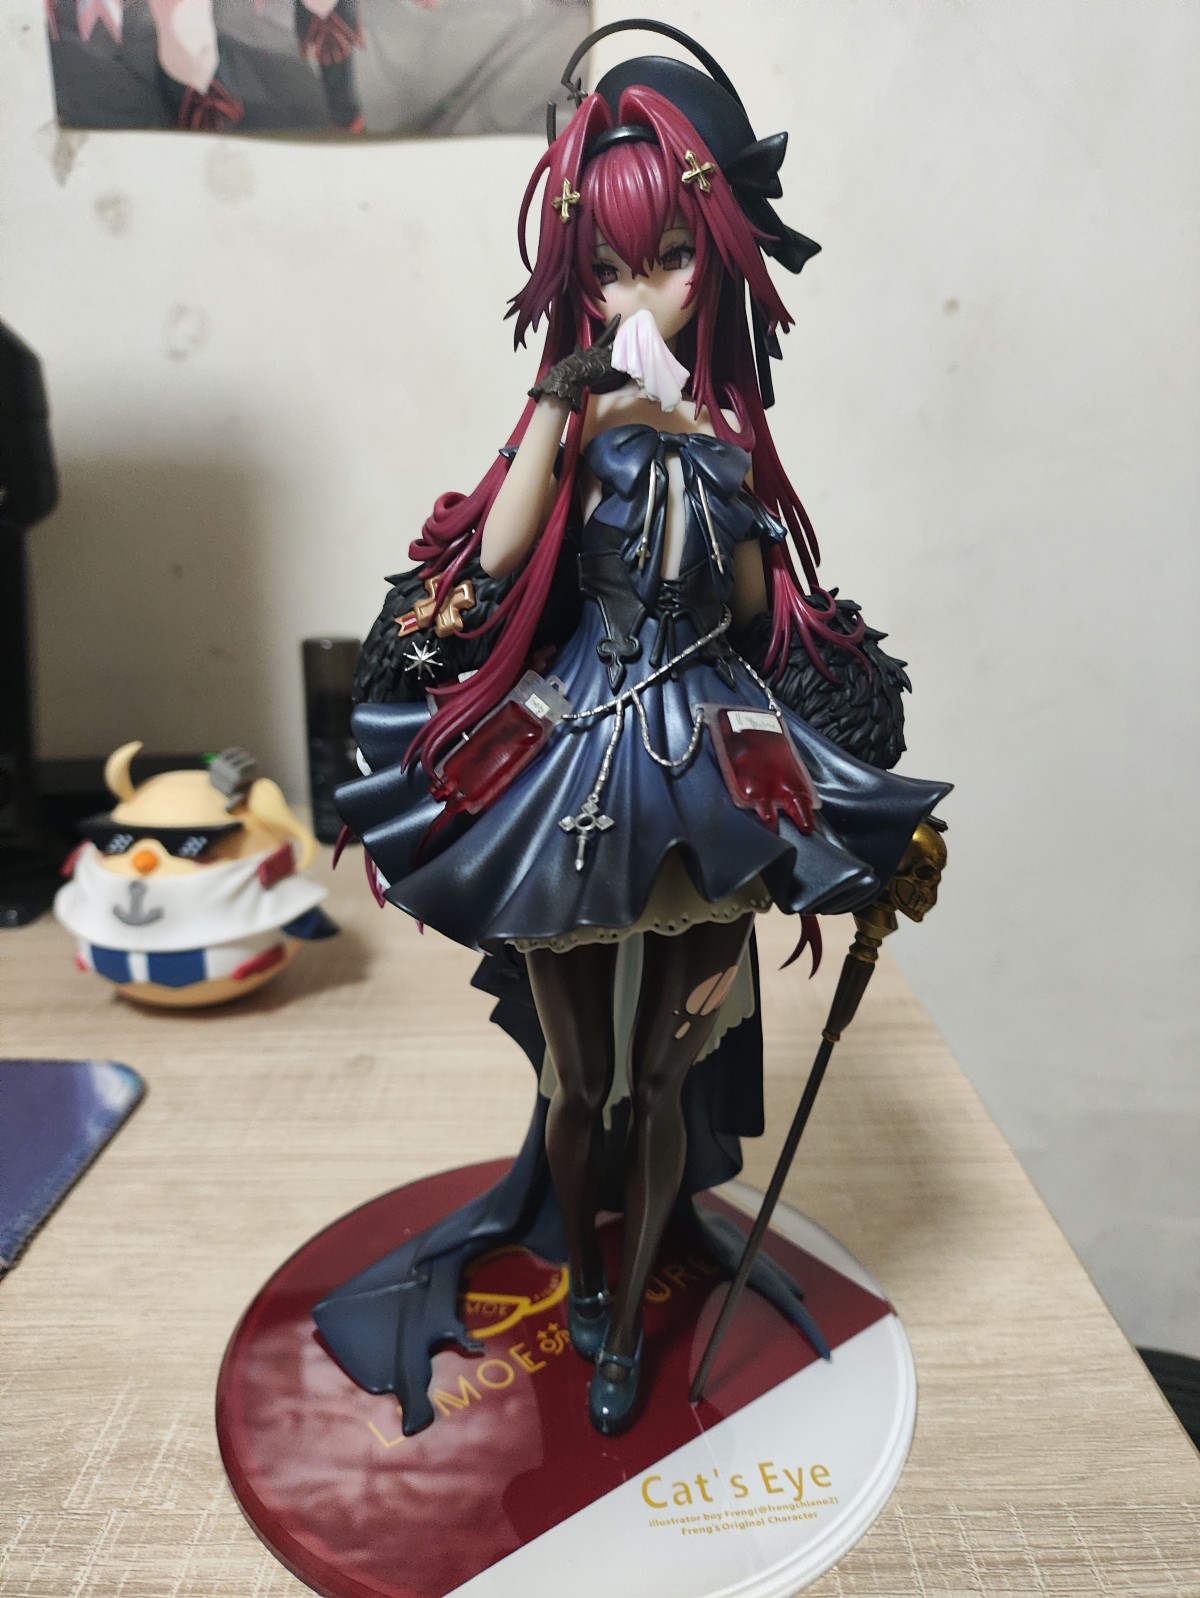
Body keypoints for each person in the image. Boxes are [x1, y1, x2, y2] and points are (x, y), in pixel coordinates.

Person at [329, 23, 949, 1435]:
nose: (637, 293)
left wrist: (841, 730)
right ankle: (584, 1277)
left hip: (710, 759)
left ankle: (628, 1312)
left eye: (665, 258)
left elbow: (763, 617)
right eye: (607, 268)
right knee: (580, 1083)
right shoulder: (578, 420)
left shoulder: (728, 446)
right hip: (579, 754)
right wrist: (559, 400)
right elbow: (493, 557)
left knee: (667, 1075)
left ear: (714, 259)